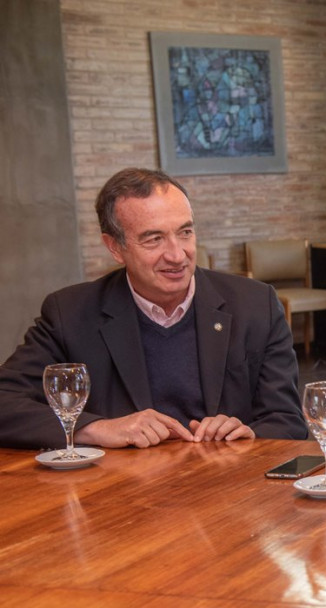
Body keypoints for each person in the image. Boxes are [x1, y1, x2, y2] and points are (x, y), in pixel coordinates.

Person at [0, 168, 308, 450]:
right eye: (154, 239)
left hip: (228, 490)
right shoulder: (70, 313)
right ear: (114, 247)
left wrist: (249, 434)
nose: (177, 255)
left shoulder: (255, 304)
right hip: (121, 495)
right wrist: (95, 429)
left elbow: (287, 420)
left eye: (185, 232)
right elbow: (5, 402)